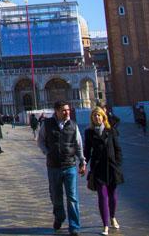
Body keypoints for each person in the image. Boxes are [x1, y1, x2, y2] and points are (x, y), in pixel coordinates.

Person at [38, 100, 86, 236]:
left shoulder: (73, 125)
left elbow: (78, 144)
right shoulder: (47, 124)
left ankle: (74, 226)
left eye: (68, 110)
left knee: (73, 198)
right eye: (64, 110)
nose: (67, 112)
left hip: (69, 165)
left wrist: (82, 160)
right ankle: (59, 217)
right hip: (53, 166)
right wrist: (47, 153)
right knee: (56, 196)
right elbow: (40, 140)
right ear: (56, 111)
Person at [84, 107, 123, 236]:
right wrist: (83, 163)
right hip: (98, 168)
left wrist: (118, 164)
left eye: (99, 115)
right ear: (92, 118)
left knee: (113, 196)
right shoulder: (89, 133)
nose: (97, 117)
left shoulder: (111, 131)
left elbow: (118, 149)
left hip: (112, 167)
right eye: (95, 116)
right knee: (102, 196)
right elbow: (87, 151)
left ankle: (112, 217)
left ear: (103, 117)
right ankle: (105, 224)